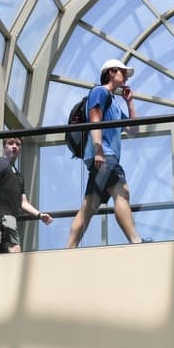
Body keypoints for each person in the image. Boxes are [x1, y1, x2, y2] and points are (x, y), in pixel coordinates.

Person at [66, 59, 146, 247]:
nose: (125, 76)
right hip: (104, 154)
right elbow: (95, 119)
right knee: (122, 193)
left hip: (104, 155)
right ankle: (135, 240)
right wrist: (99, 150)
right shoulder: (100, 92)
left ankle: (69, 248)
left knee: (90, 206)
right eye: (123, 72)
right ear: (111, 72)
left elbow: (133, 130)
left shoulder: (115, 104)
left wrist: (130, 103)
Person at [0, 137, 53, 252]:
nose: (14, 146)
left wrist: (39, 215)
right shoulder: (0, 163)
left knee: (5, 251)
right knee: (15, 249)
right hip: (2, 216)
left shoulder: (19, 176)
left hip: (10, 218)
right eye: (10, 143)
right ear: (4, 147)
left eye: (18, 144)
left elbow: (23, 203)